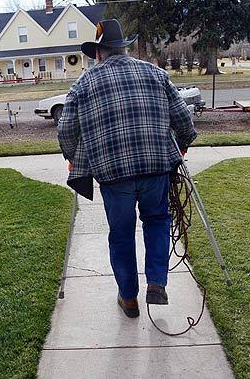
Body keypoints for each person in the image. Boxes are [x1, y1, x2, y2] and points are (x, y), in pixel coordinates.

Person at [57, 19, 197, 318]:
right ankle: (157, 283)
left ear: (98, 53)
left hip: (112, 174)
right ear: (124, 48)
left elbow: (66, 130)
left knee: (120, 234)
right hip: (155, 167)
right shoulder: (154, 73)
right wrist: (183, 145)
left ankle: (128, 298)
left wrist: (73, 158)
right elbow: (183, 118)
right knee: (157, 221)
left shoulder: (84, 83)